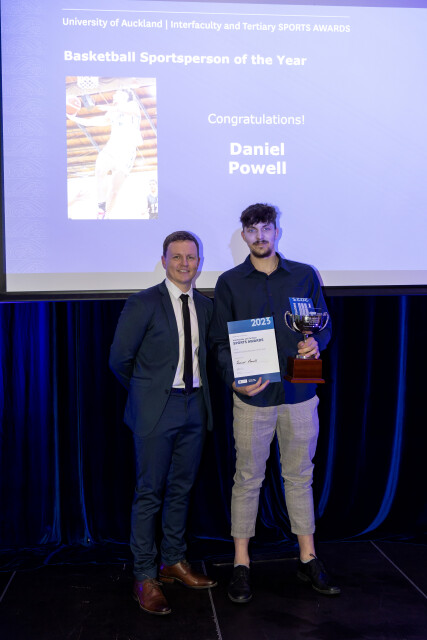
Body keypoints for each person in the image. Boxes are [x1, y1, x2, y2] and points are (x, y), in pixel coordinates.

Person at [209, 203, 340, 603]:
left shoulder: (304, 275)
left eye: (267, 228)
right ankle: (241, 563)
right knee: (247, 478)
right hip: (254, 399)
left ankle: (307, 557)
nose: (261, 236)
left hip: (300, 393)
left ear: (277, 231)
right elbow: (219, 342)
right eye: (253, 230)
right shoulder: (230, 282)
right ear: (244, 235)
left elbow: (324, 324)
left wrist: (317, 342)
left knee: (300, 476)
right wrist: (234, 379)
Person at [109, 230, 216, 616]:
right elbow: (119, 359)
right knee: (149, 492)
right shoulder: (143, 302)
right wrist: (147, 392)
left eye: (191, 257)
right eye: (177, 257)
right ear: (164, 260)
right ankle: (144, 574)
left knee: (181, 489)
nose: (185, 263)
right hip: (157, 409)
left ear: (199, 262)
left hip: (195, 407)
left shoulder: (205, 306)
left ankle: (173, 561)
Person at [68, 88, 143, 219]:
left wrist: (110, 108)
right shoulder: (112, 112)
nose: (114, 95)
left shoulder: (132, 105)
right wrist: (74, 118)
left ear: (126, 96)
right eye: (114, 93)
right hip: (111, 148)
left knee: (114, 192)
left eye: (117, 93)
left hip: (127, 151)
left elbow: (130, 110)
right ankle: (101, 208)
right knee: (99, 171)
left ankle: (106, 216)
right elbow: (95, 122)